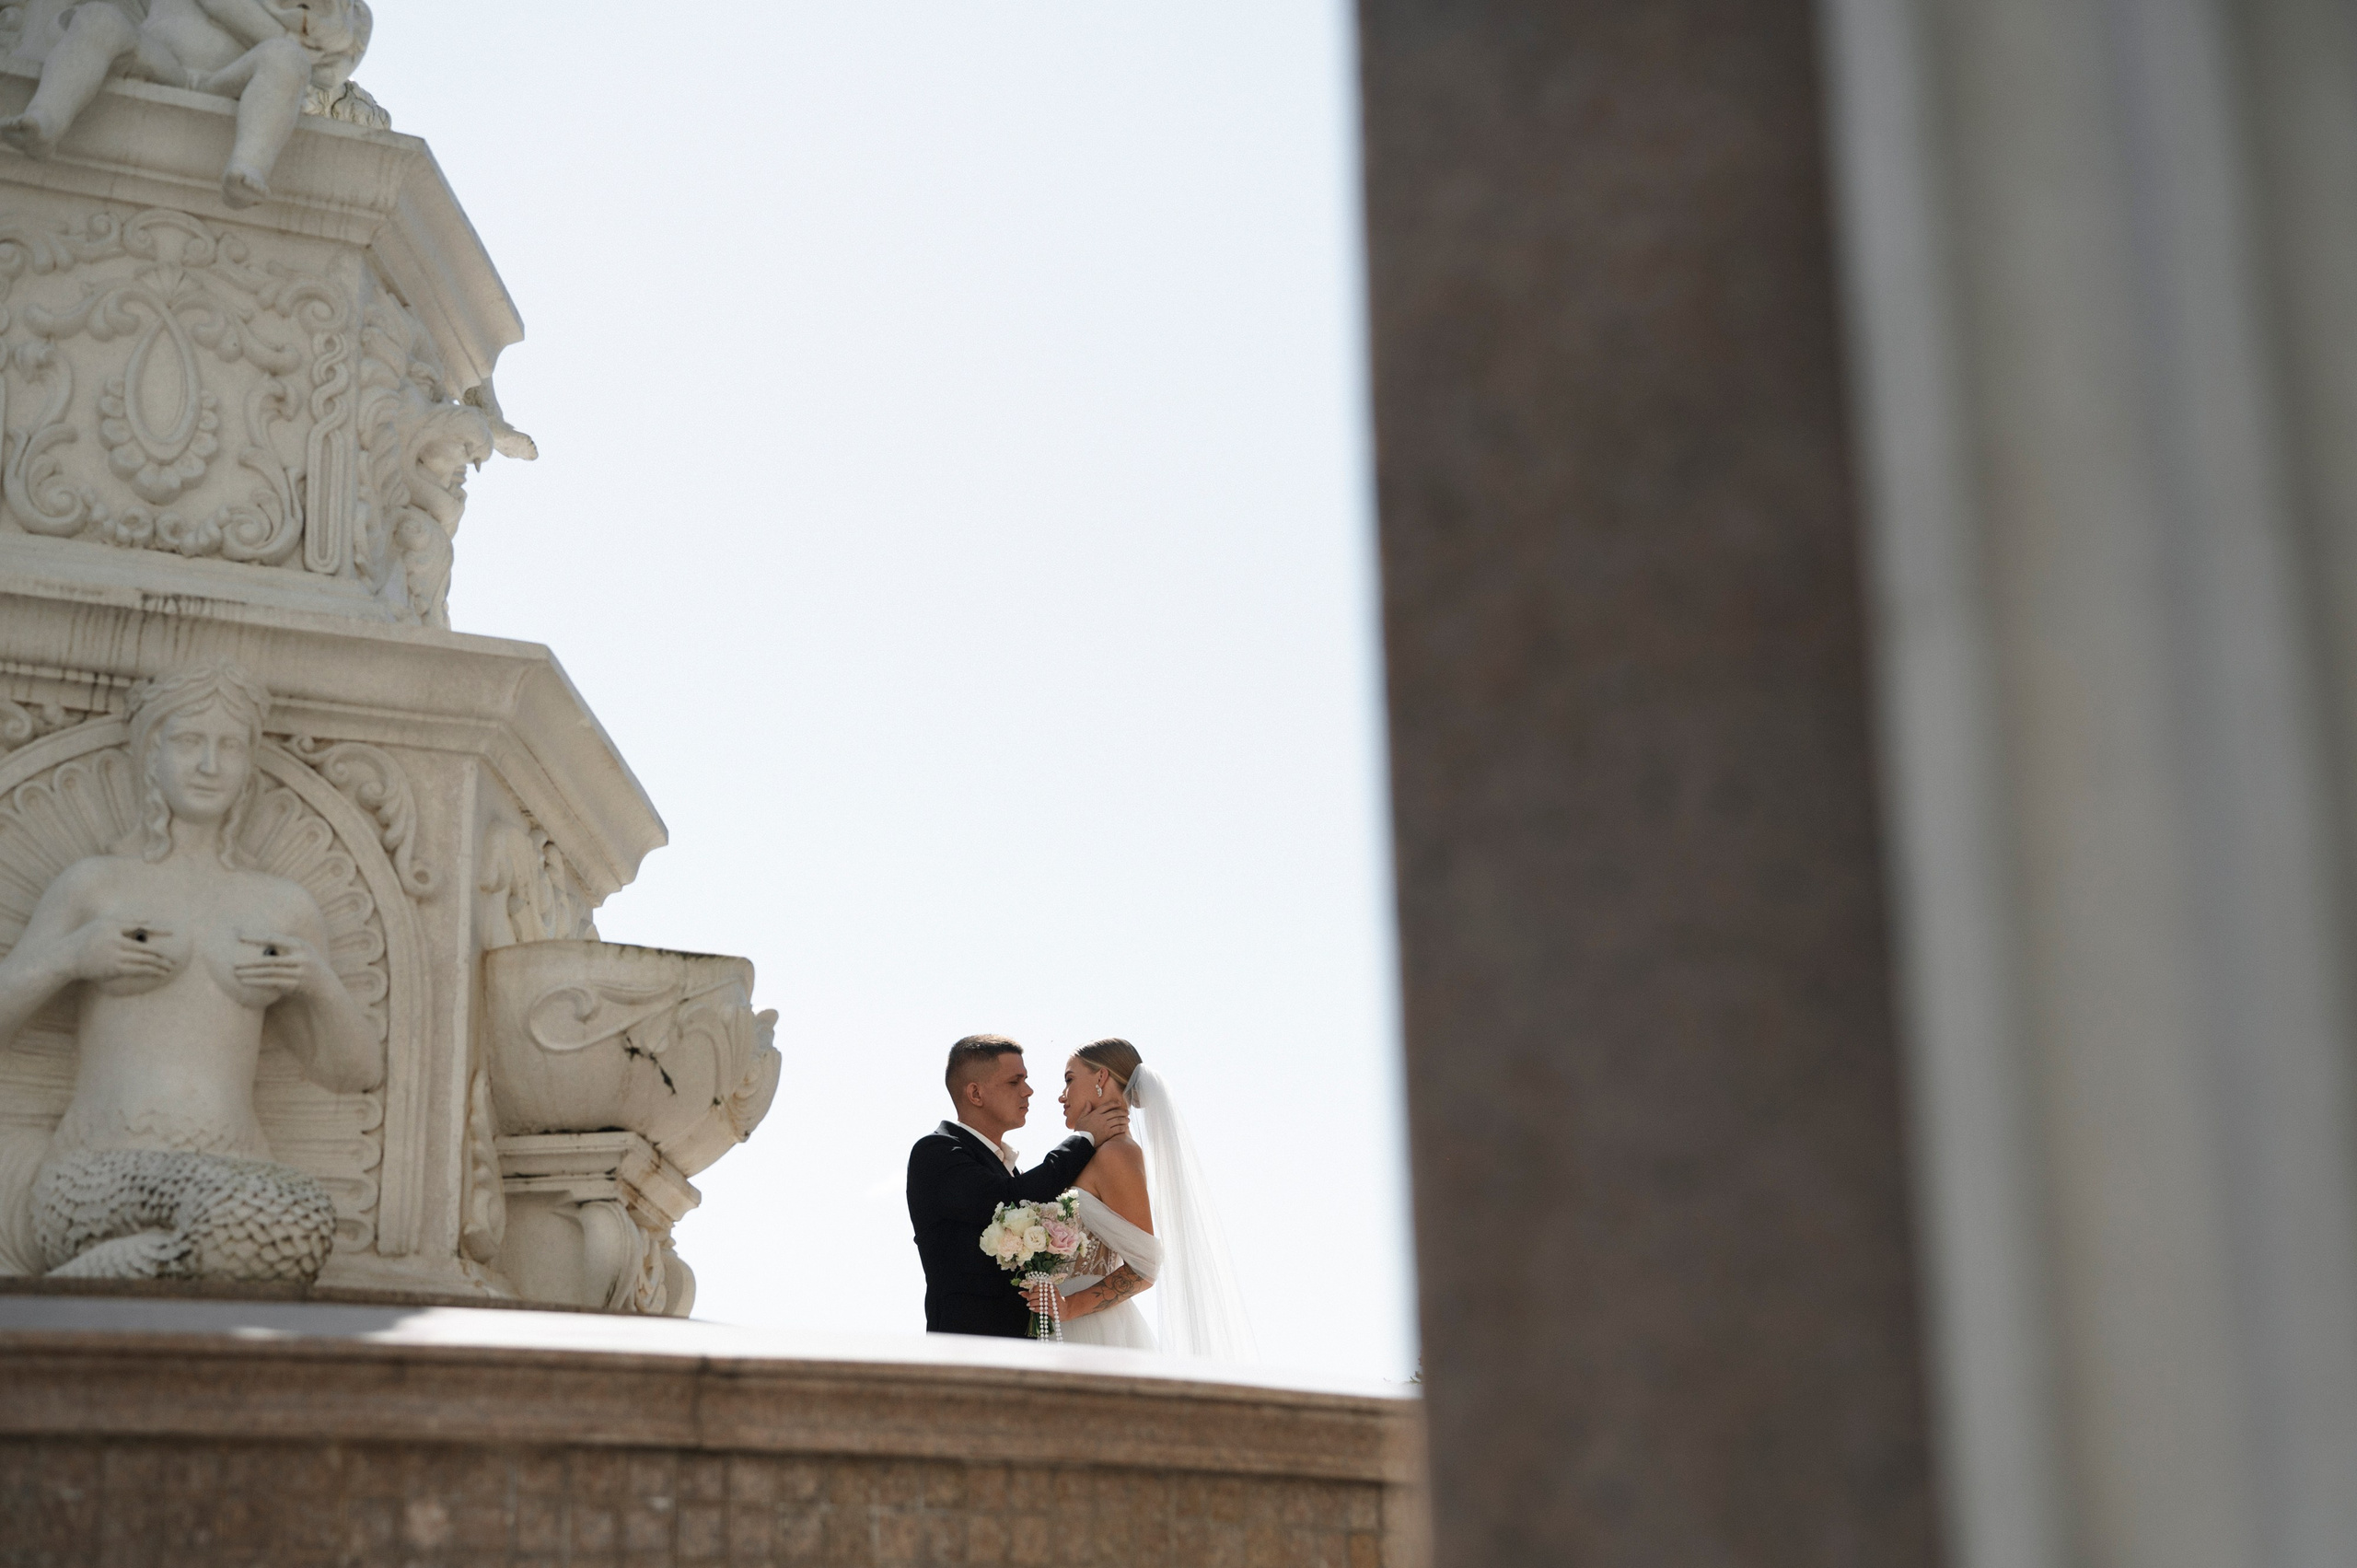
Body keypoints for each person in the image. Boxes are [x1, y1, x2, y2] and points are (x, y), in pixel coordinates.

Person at [0, 662, 382, 1279]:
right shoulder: (96, 885)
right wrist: (72, 958)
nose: (209, 763)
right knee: (282, 1228)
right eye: (188, 742)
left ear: (249, 764)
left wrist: (316, 981)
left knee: (293, 1219)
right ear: (152, 754)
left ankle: (90, 1286)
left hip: (232, 1173)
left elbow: (356, 1069)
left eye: (229, 746)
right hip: (97, 1171)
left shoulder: (282, 905)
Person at [0, 0, 371, 208]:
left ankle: (248, 166)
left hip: (230, 81)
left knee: (286, 59)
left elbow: (327, 68)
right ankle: (44, 118)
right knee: (99, 18)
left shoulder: (345, 16)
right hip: (160, 61)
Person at [1036, 1038, 1257, 1360]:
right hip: (1051, 1326)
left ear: (1101, 1078)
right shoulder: (1087, 1154)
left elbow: (1145, 1266)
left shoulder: (1118, 1153)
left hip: (1089, 1332)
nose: (1061, 1095)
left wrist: (1070, 1307)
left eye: (1069, 1080)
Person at [906, 1034, 1128, 1338]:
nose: (1029, 1090)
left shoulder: (1007, 1168)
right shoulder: (936, 1153)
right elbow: (1008, 1202)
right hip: (968, 1352)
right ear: (975, 1093)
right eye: (1015, 1081)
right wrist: (1085, 1139)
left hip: (1025, 1352)